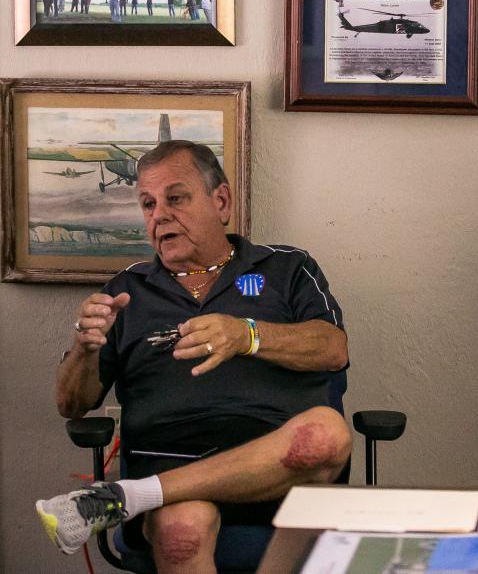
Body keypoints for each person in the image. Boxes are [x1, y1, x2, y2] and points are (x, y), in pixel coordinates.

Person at [36, 141, 351, 571]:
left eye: (176, 198)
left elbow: (332, 349)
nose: (158, 214)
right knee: (181, 530)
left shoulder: (287, 268)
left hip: (282, 472)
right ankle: (148, 496)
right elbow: (70, 404)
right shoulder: (126, 291)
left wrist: (246, 334)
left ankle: (130, 497)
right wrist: (84, 349)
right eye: (148, 204)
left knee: (325, 434)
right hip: (172, 467)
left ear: (220, 201)